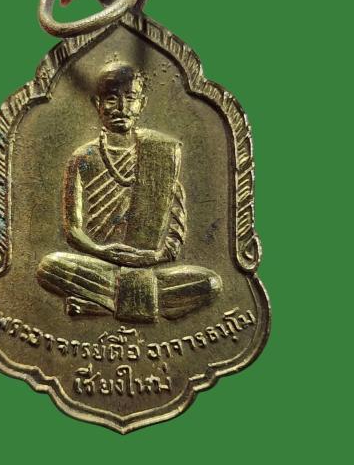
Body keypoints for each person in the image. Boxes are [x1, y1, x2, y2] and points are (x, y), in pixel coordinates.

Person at [37, 62, 221, 322]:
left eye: (131, 98)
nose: (122, 108)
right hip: (101, 265)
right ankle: (146, 304)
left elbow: (175, 235)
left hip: (150, 266)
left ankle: (98, 306)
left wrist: (152, 257)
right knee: (49, 267)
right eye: (112, 99)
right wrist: (103, 252)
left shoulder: (162, 152)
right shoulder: (83, 157)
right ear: (97, 103)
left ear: (142, 103)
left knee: (211, 283)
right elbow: (73, 230)